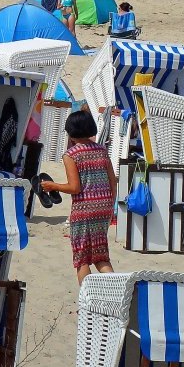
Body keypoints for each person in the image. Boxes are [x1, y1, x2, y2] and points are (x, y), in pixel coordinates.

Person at [40, 111, 117, 285]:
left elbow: (75, 188)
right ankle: (116, 291)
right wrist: (109, 205)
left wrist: (53, 186)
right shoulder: (102, 150)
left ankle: (86, 302)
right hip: (104, 207)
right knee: (100, 255)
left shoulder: (71, 155)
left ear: (70, 131)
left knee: (81, 258)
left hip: (84, 210)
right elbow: (113, 181)